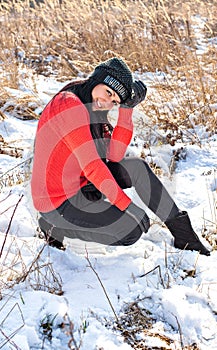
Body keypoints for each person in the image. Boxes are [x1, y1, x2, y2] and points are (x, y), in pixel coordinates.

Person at [31, 57, 210, 256]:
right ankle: (53, 227)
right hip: (58, 202)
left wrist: (126, 110)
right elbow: (93, 166)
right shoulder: (69, 104)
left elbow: (114, 156)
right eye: (108, 92)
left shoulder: (94, 107)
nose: (108, 102)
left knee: (137, 168)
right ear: (97, 79)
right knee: (130, 230)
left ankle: (185, 237)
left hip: (82, 183)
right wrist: (127, 206)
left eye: (115, 101)